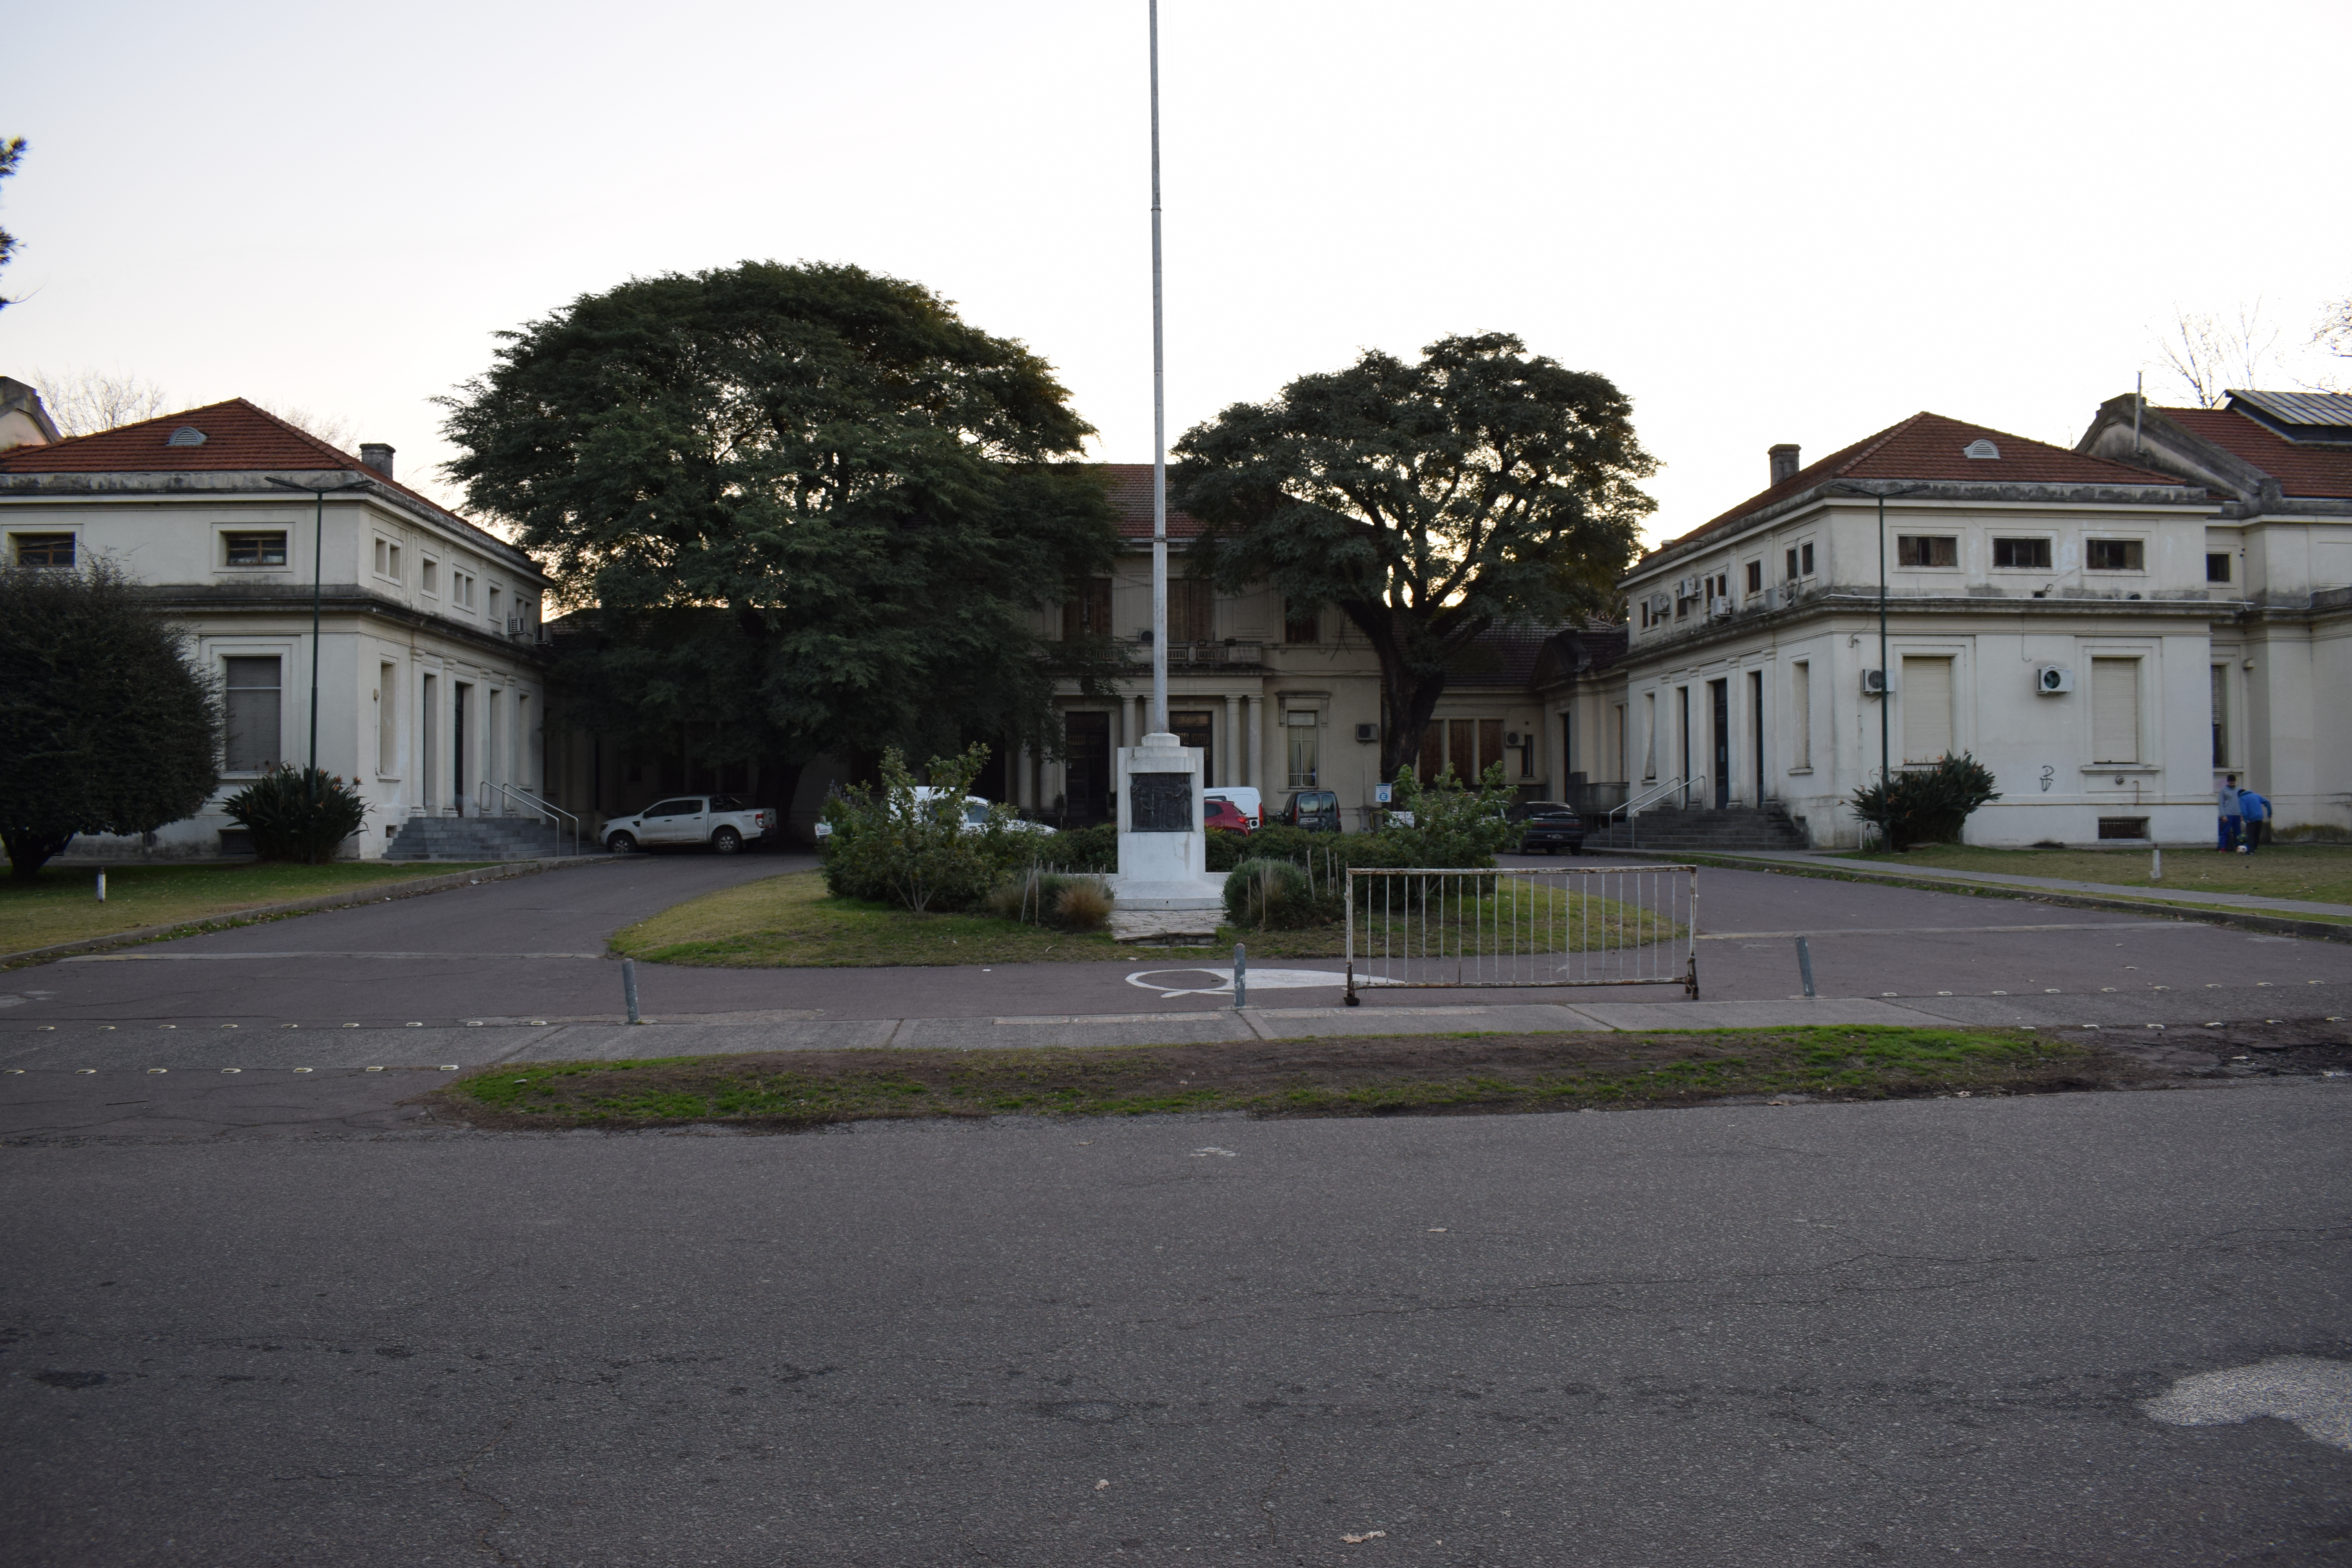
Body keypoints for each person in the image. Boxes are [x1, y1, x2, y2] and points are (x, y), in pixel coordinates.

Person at [2238, 785, 2269, 854]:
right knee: (2257, 835)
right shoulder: (2256, 795)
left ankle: (2250, 851)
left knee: (2250, 835)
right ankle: (2254, 849)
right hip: (2260, 817)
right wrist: (2269, 813)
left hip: (2251, 819)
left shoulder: (2242, 798)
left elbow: (2244, 812)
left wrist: (2246, 820)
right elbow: (2268, 803)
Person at [2217, 774, 2243, 852]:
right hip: (2228, 815)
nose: (2232, 785)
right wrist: (2223, 815)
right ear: (2228, 782)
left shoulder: (2239, 790)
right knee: (2225, 832)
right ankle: (2223, 848)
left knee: (2238, 833)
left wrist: (2242, 814)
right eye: (2231, 783)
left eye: (2234, 783)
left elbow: (2242, 802)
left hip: (2237, 814)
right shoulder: (2223, 791)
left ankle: (2239, 847)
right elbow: (2221, 804)